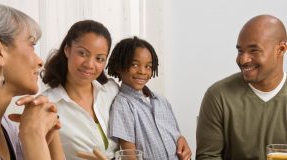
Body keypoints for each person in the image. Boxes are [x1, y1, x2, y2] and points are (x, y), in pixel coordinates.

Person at [0, 2, 64, 160]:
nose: (40, 61)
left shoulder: (5, 126)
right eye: (32, 45)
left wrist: (50, 138)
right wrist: (34, 137)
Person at [196, 15, 287, 160]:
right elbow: (207, 157)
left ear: (281, 50)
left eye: (254, 50)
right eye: (240, 51)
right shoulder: (218, 96)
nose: (243, 59)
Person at [41, 20, 119, 159]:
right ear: (67, 50)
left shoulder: (112, 91)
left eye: (99, 59)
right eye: (82, 53)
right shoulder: (46, 105)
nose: (89, 64)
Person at [106, 36, 192, 160]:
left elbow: (176, 135)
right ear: (119, 66)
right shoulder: (123, 105)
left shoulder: (162, 101)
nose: (142, 71)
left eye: (148, 66)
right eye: (134, 65)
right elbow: (129, 154)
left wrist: (181, 140)